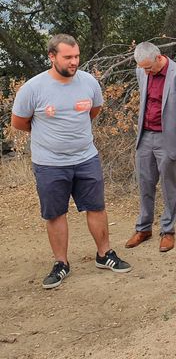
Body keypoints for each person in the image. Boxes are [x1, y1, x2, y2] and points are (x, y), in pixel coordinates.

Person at [11, 34, 131, 289]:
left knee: (96, 207)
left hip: (86, 157)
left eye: (77, 56)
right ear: (52, 57)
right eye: (68, 57)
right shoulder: (33, 88)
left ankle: (104, 254)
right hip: (49, 163)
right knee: (55, 213)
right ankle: (61, 263)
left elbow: (94, 111)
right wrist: (49, 134)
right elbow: (19, 123)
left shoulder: (89, 82)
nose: (74, 61)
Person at [126, 42, 176, 252]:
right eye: (142, 68)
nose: (145, 72)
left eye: (148, 67)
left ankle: (168, 230)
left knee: (169, 186)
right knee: (145, 183)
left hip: (169, 139)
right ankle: (144, 228)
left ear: (159, 57)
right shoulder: (142, 71)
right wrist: (144, 70)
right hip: (145, 136)